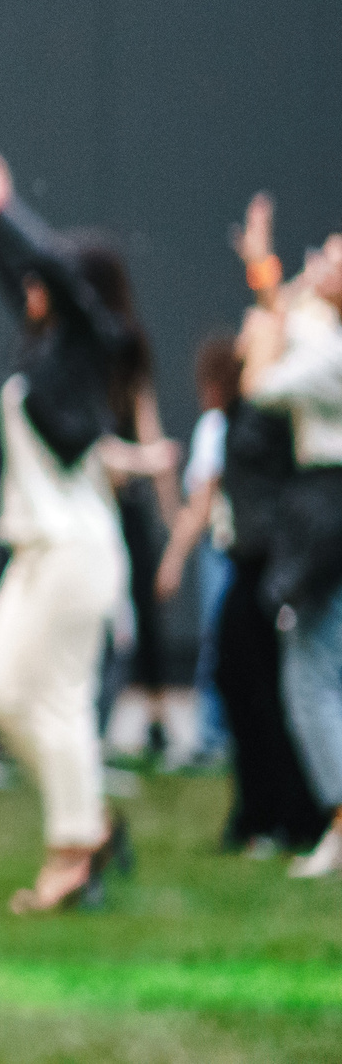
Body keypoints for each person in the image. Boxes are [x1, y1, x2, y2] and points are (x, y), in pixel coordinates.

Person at [0, 132, 176, 914]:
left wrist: (6, 209)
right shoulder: (47, 346)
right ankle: (94, 823)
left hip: (76, 550)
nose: (32, 286)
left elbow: (61, 282)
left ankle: (74, 855)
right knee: (1, 694)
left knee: (61, 700)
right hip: (36, 549)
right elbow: (27, 279)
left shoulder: (98, 343)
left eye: (49, 277)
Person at [233, 196, 342, 877]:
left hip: (325, 508)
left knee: (312, 673)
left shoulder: (330, 354)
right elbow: (276, 314)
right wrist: (264, 265)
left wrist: (274, 280)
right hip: (323, 506)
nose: (322, 259)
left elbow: (259, 378)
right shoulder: (322, 335)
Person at [158, 336, 240, 770]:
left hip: (219, 548)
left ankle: (211, 737)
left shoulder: (214, 428)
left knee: (216, 642)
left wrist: (172, 560)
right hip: (234, 547)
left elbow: (201, 504)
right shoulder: (239, 423)